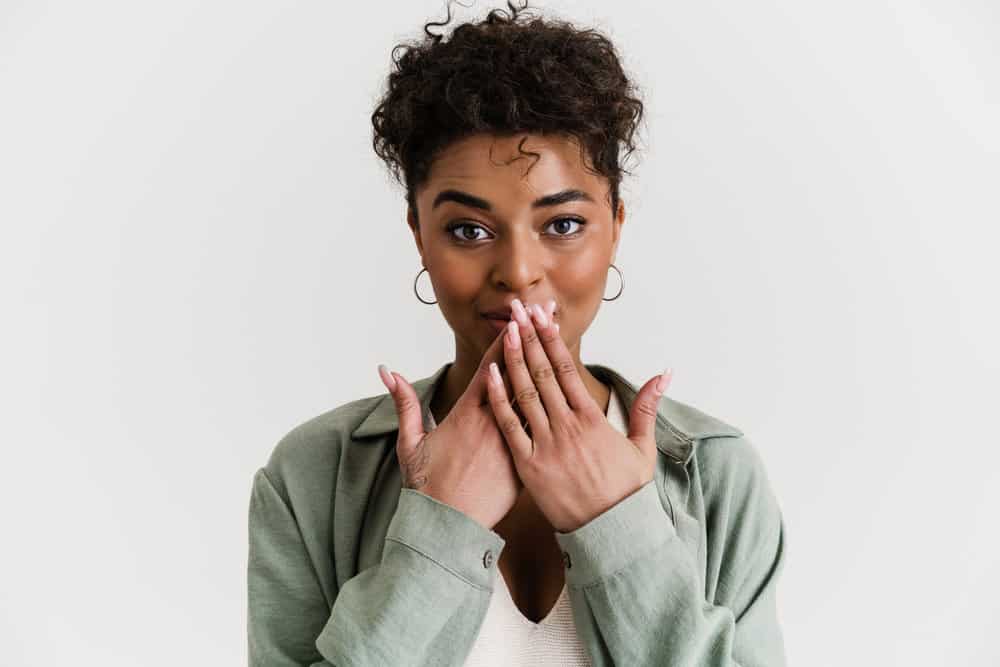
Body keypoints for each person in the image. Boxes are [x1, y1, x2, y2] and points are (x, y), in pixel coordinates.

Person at [247, 1, 788, 665]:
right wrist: (439, 532)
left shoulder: (719, 474)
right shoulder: (312, 476)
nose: (519, 272)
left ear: (616, 223)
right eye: (469, 230)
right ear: (418, 232)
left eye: (562, 225)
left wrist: (617, 529)